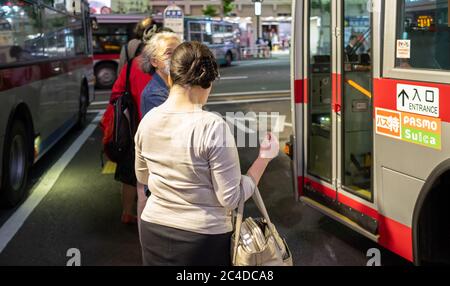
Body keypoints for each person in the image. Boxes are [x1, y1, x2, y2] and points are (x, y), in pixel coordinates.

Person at [135, 41, 280, 266]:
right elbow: (231, 198)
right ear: (206, 82)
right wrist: (264, 158)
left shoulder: (147, 121)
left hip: (152, 228)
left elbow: (143, 177)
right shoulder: (211, 126)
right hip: (201, 237)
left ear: (171, 78)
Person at [136, 32, 181, 225]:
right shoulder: (155, 94)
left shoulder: (173, 85)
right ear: (155, 61)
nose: (177, 57)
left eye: (179, 52)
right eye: (169, 53)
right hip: (165, 177)